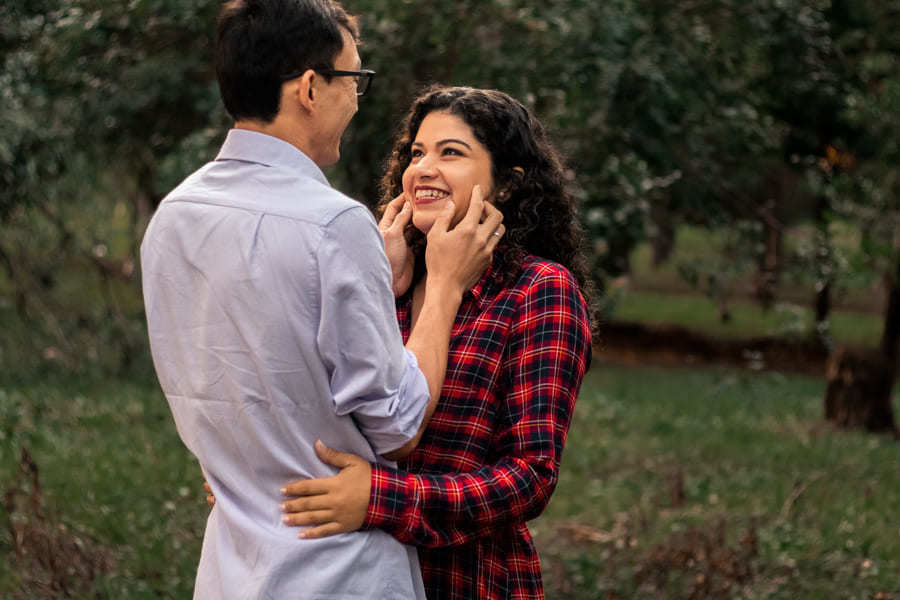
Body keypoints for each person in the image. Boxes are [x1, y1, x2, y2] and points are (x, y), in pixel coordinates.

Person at [140, 1, 503, 597]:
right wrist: (444, 286)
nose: (357, 101)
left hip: (231, 569)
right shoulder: (331, 225)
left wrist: (374, 287)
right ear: (311, 87)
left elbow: (260, 374)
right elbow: (400, 426)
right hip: (336, 572)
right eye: (354, 79)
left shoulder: (174, 216)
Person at [277, 85, 596, 599]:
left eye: (451, 152)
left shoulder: (538, 291)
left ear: (507, 185)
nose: (422, 168)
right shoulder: (391, 282)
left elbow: (530, 476)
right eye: (416, 152)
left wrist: (381, 498)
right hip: (342, 575)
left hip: (461, 579)